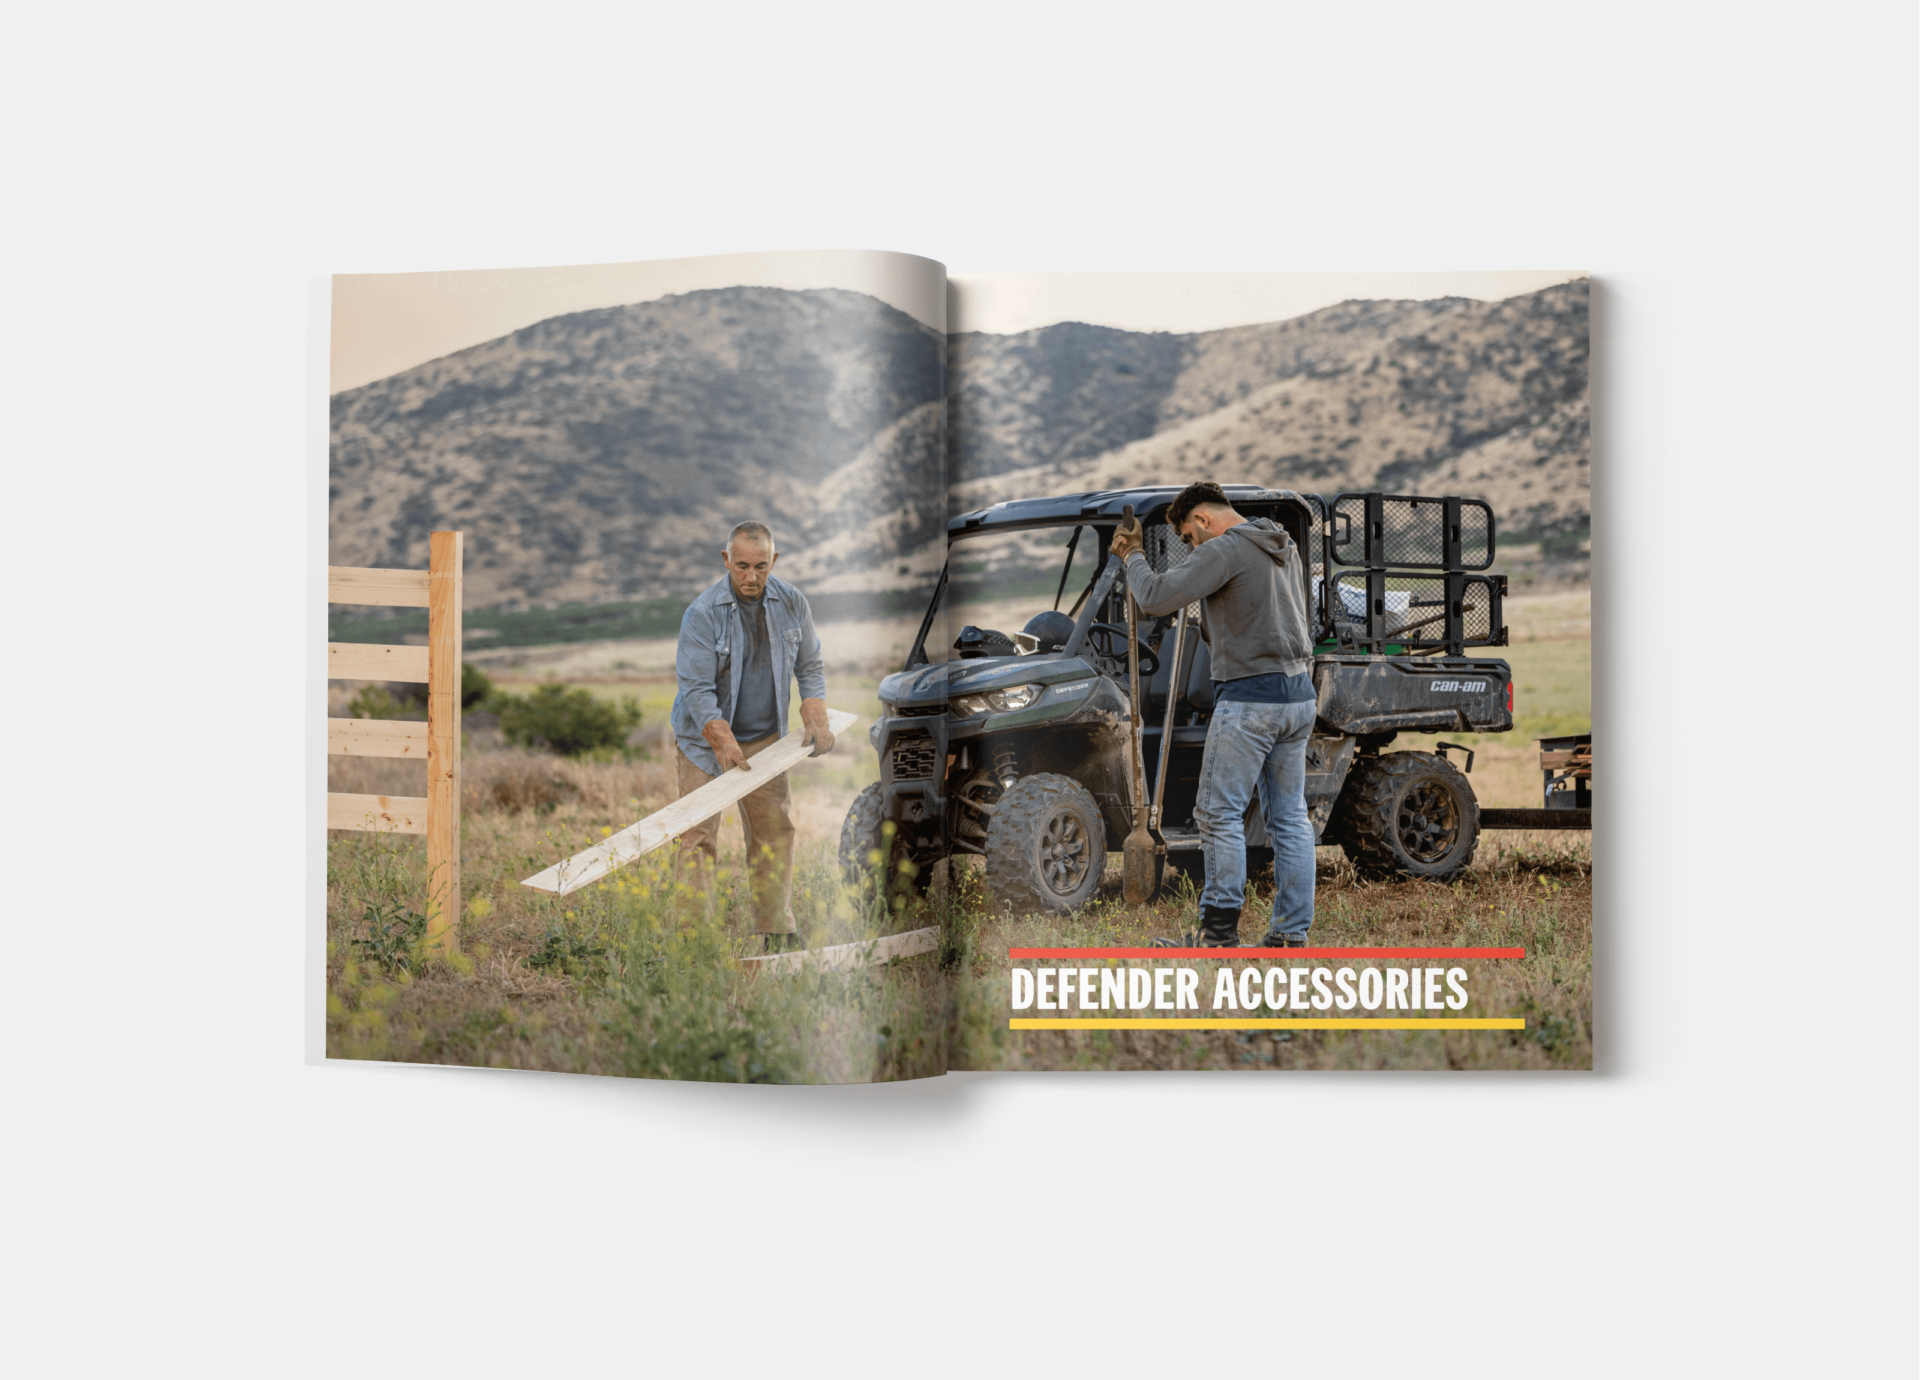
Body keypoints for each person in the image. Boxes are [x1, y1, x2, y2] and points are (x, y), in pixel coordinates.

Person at [1110, 483, 1317, 948]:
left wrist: (1133, 554)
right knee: (1289, 820)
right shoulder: (1281, 544)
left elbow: (1154, 598)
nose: (1190, 546)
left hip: (1250, 700)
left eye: (1188, 536)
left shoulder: (1223, 549)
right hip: (1298, 696)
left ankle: (1218, 935)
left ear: (1203, 520)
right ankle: (1290, 935)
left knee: (1218, 814)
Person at [669, 520, 835, 951]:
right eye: (742, 565)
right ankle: (695, 942)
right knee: (697, 838)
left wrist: (815, 709)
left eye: (760, 566)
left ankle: (776, 934)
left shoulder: (793, 602)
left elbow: (810, 665)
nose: (751, 576)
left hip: (765, 740)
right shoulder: (702, 613)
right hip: (705, 742)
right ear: (726, 560)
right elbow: (697, 690)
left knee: (774, 833)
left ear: (773, 560)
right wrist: (722, 740)